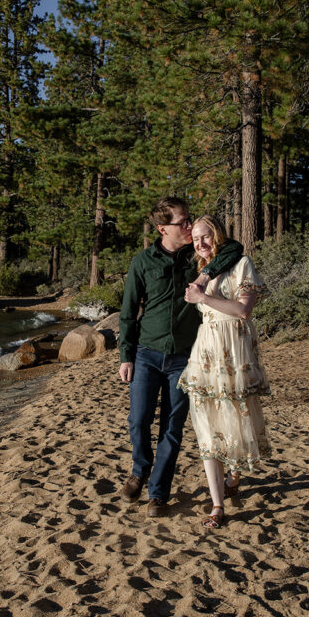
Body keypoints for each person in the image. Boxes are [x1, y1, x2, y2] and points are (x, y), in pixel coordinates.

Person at [118, 197, 243, 517]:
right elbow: (129, 313)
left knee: (172, 429)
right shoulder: (142, 262)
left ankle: (158, 494)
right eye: (183, 222)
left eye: (190, 221)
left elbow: (235, 248)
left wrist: (203, 277)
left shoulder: (198, 257)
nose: (190, 227)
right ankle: (139, 472)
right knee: (138, 420)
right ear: (163, 229)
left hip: (186, 358)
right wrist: (126, 356)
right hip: (146, 353)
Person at [178, 215, 270, 528]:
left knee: (234, 418)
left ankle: (234, 473)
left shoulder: (242, 263)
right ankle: (217, 505)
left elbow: (244, 310)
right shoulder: (201, 271)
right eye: (196, 239)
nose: (201, 244)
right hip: (205, 350)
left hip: (235, 349)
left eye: (206, 237)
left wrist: (204, 297)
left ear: (218, 236)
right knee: (205, 422)